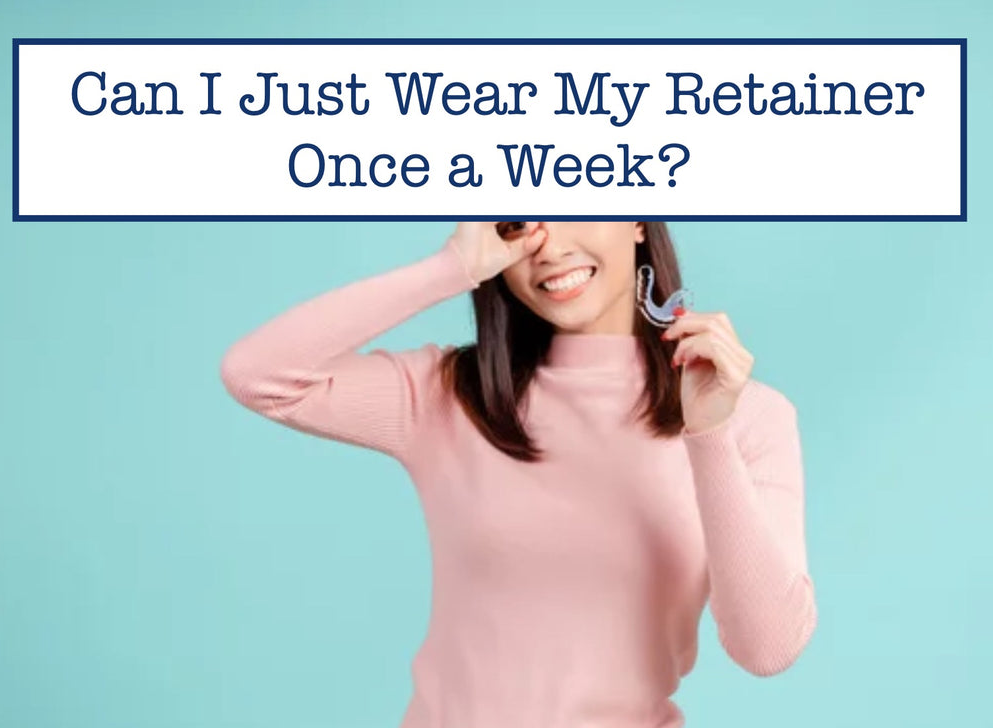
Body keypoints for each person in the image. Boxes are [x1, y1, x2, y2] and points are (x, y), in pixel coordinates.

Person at [219, 221, 817, 728]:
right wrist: (451, 268)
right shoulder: (447, 395)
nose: (550, 248)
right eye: (524, 221)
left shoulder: (748, 415)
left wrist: (708, 431)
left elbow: (768, 648)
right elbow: (256, 373)